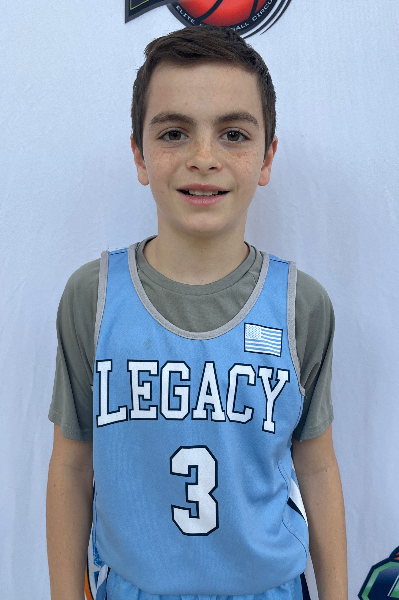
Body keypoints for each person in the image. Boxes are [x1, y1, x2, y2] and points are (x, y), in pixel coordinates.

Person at [46, 25, 347, 600]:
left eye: (233, 134)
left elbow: (317, 466)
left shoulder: (300, 304)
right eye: (174, 133)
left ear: (267, 156)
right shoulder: (94, 297)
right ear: (140, 155)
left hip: (268, 588)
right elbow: (71, 466)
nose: (203, 158)